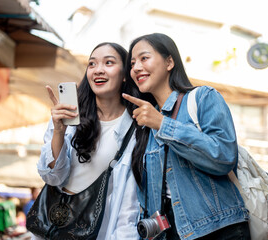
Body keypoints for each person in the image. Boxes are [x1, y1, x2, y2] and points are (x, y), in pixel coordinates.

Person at [122, 33, 250, 240]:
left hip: (218, 229)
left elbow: (224, 157)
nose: (136, 67)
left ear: (169, 61)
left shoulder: (203, 97)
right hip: (169, 233)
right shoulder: (145, 121)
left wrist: (163, 124)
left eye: (144, 58)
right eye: (132, 63)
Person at [35, 42, 141, 240]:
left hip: (98, 230)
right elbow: (52, 178)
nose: (98, 70)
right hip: (55, 224)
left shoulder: (136, 127)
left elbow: (129, 203)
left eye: (108, 63)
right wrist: (58, 131)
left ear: (126, 74)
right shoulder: (69, 116)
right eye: (92, 64)